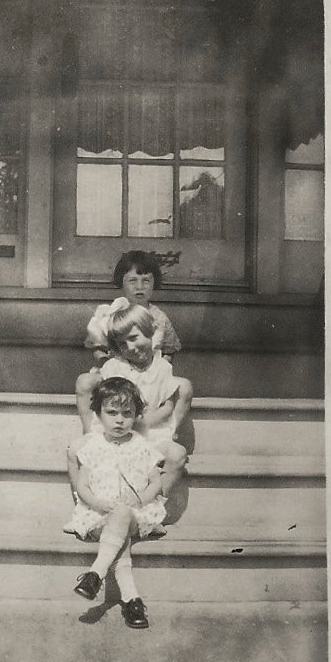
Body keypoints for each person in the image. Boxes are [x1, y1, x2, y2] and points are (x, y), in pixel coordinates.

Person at [63, 377, 167, 629]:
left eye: (127, 413)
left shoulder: (141, 445)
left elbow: (156, 483)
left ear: (136, 416)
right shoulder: (93, 446)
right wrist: (98, 503)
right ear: (98, 414)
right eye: (111, 412)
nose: (119, 420)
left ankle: (95, 574)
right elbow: (82, 486)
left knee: (122, 514)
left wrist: (140, 498)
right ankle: (132, 601)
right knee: (119, 540)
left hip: (135, 514)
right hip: (99, 513)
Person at [68, 303, 191, 499]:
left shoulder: (163, 368)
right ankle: (84, 506)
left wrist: (146, 421)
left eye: (134, 338)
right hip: (116, 433)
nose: (130, 348)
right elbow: (104, 402)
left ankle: (153, 507)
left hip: (149, 435)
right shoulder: (114, 367)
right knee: (75, 450)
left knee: (177, 454)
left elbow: (168, 405)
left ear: (150, 332)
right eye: (122, 344)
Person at [76, 250, 183, 434]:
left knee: (184, 387)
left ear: (154, 283)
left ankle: (167, 434)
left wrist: (160, 367)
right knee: (84, 382)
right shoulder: (112, 313)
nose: (139, 287)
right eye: (132, 281)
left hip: (151, 374)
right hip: (116, 373)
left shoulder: (159, 317)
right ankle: (91, 433)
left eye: (146, 281)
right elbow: (95, 345)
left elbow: (170, 349)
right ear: (122, 283)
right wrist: (106, 362)